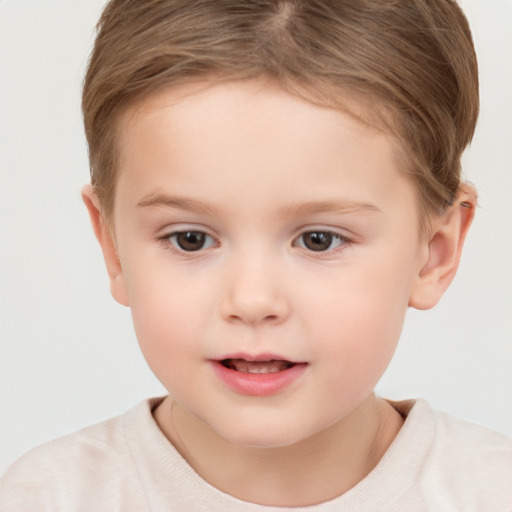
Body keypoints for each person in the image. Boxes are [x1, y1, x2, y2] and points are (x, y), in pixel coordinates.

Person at [1, 0, 511, 510]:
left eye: (319, 239)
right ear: (112, 243)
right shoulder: (48, 498)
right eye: (190, 239)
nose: (251, 300)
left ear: (433, 253)